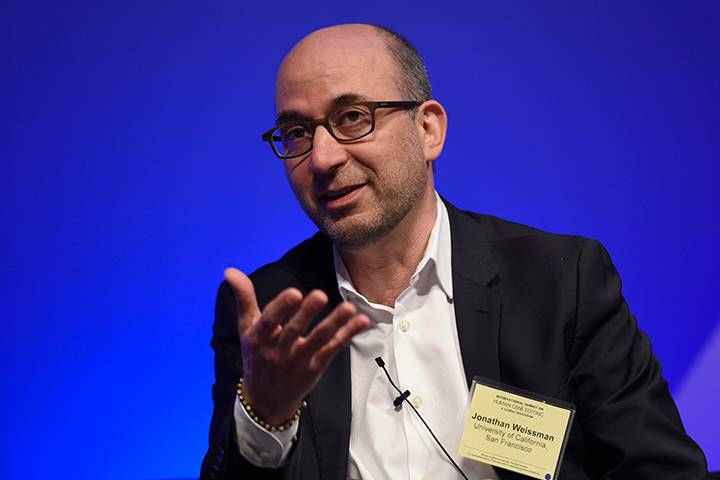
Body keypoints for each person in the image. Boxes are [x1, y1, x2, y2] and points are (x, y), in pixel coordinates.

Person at [200, 23, 708, 479]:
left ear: (428, 130)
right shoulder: (267, 310)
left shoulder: (559, 281)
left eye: (353, 117)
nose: (322, 158)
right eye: (296, 133)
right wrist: (264, 417)